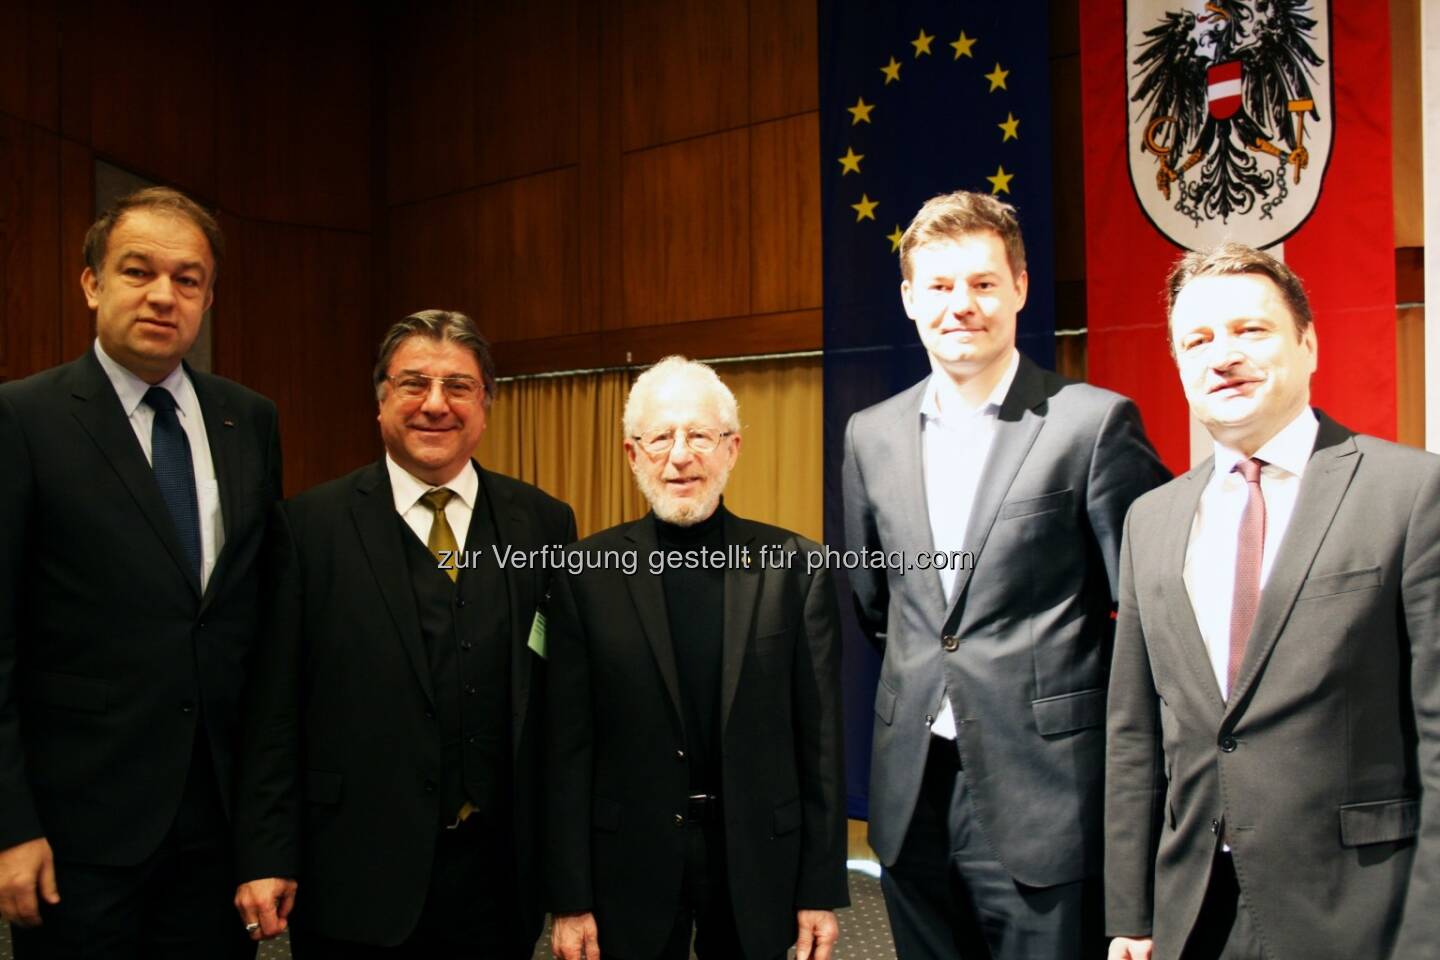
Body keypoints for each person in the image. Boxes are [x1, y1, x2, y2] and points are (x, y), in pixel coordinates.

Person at [843, 190, 1168, 958]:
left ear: (1019, 288)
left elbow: (1149, 615)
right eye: (941, 286)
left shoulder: (1092, 424)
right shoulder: (871, 435)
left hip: (1046, 794)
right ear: (909, 299)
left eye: (984, 284)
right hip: (913, 791)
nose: (963, 304)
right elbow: (876, 604)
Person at [1105, 242, 1440, 960]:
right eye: (1198, 340)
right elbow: (1134, 737)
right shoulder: (1150, 519)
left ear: (1308, 342)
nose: (1222, 355)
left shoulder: (1411, 494)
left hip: (1359, 911)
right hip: (1191, 911)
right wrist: (1131, 916)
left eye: (1250, 330)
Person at [232, 310, 576, 958]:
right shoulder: (308, 529)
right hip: (355, 877)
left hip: (498, 884)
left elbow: (561, 705)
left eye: (459, 386)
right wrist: (265, 851)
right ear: (382, 400)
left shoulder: (544, 523)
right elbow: (272, 709)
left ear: (488, 403)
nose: (435, 405)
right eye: (413, 383)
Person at [0, 187, 282, 957]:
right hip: (79, 834)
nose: (164, 295)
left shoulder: (249, 421)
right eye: (138, 272)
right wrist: (9, 825)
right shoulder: (23, 420)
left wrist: (264, 835)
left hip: (216, 834)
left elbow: (256, 629)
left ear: (209, 297)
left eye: (188, 279)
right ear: (91, 283)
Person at [546, 356, 848, 960]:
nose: (680, 456)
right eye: (660, 437)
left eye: (700, 436)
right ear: (634, 455)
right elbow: (567, 749)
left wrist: (819, 888)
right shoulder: (584, 575)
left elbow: (819, 743)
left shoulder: (797, 569)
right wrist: (570, 897)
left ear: (731, 449)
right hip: (626, 864)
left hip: (757, 860)